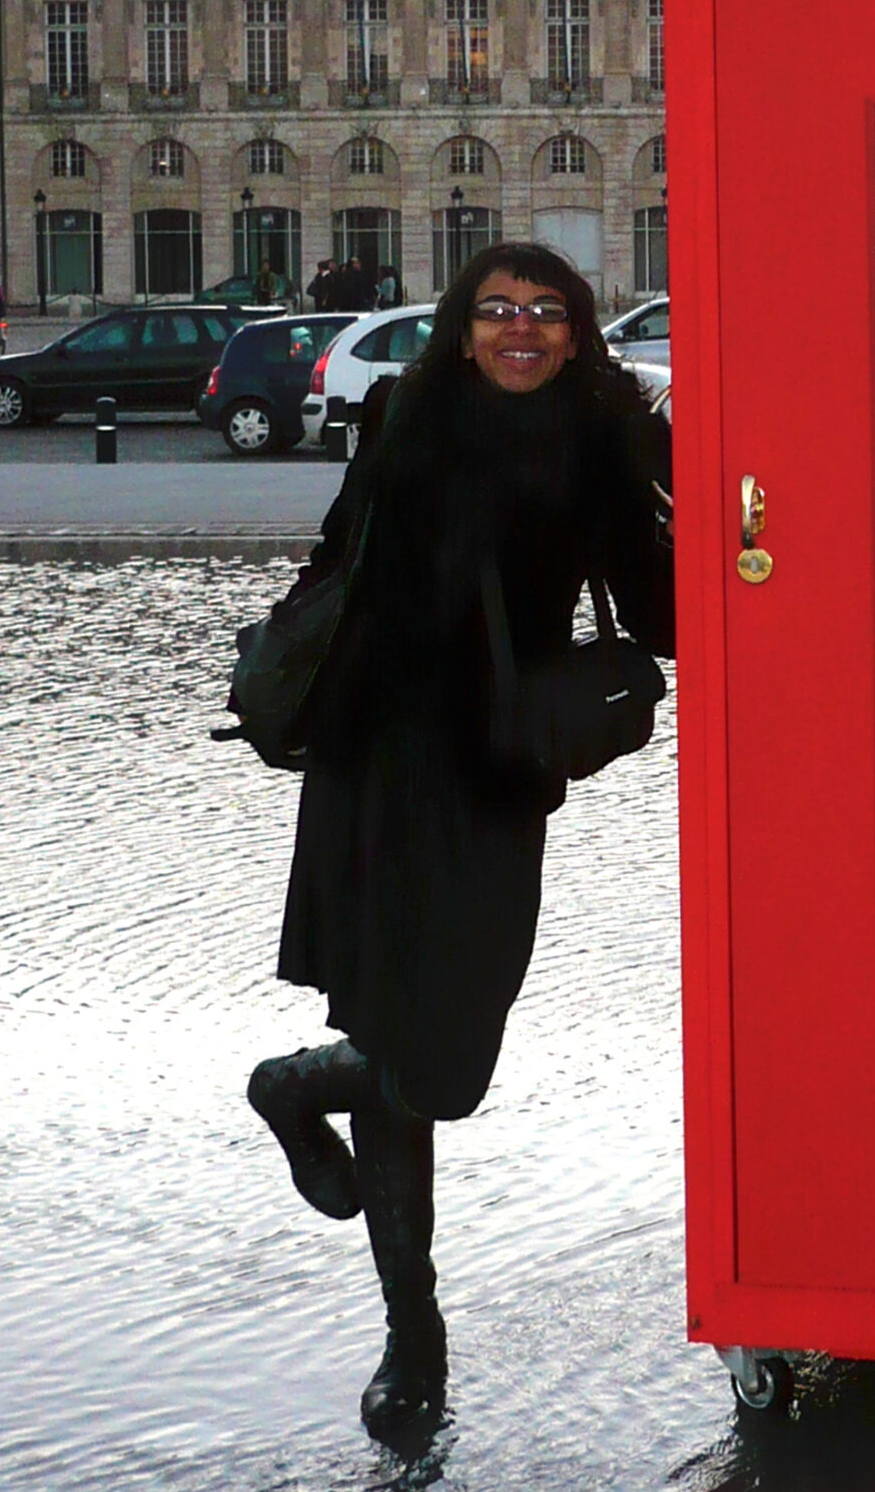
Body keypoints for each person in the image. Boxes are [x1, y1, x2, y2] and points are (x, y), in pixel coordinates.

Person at [242, 240, 674, 1442]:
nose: (520, 329)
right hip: (374, 769)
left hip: (496, 778)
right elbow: (337, 557)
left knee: (450, 1062)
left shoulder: (606, 436)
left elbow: (655, 608)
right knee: (401, 1046)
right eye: (496, 310)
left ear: (580, 330)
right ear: (460, 324)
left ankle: (289, 1085)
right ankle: (411, 1335)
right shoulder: (400, 407)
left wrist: (763, 543)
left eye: (545, 311)